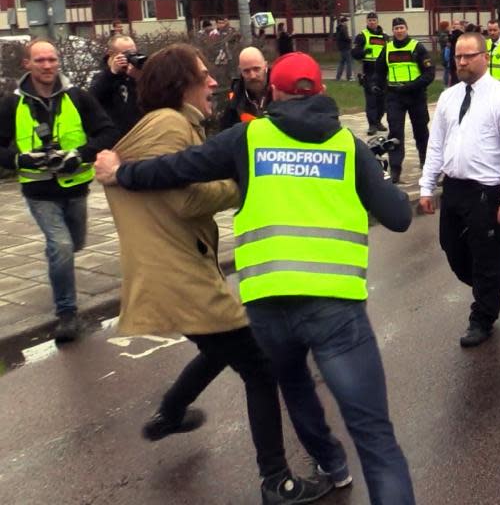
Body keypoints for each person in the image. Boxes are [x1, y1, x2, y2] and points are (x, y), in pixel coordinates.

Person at [93, 51, 417, 504]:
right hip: (335, 308)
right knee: (376, 438)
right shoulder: (346, 145)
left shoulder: (248, 138)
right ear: (321, 92)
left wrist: (121, 172)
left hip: (269, 307)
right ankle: (329, 471)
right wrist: (376, 179)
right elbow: (399, 217)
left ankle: (332, 464)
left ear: (274, 92)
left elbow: (176, 170)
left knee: (292, 384)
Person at [0, 39, 118, 341]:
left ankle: (58, 260)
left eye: (52, 59)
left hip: (75, 187)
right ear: (27, 64)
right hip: (38, 191)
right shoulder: (12, 104)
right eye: (40, 60)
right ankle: (67, 313)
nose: (47, 65)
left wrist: (79, 154)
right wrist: (19, 159)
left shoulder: (77, 97)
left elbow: (108, 131)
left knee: (73, 244)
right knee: (62, 246)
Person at [418, 31, 500, 347]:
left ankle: (483, 317)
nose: (461, 62)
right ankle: (484, 287)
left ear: (485, 58)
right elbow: (435, 145)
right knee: (451, 247)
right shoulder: (450, 97)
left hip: (485, 192)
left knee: (487, 256)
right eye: (458, 56)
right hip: (453, 189)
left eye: (468, 56)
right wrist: (426, 187)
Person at [376, 17, 434, 184]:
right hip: (395, 96)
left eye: (401, 27)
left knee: (421, 131)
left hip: (416, 95)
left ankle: (426, 163)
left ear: (406, 29)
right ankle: (395, 170)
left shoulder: (417, 47)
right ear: (393, 31)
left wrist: (411, 86)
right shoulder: (387, 49)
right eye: (396, 28)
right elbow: (379, 72)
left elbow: (429, 74)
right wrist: (376, 86)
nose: (399, 31)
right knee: (395, 133)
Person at [89, 34, 143, 136]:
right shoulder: (102, 76)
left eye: (134, 53)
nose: (131, 57)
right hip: (114, 138)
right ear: (111, 54)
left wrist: (138, 78)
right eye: (126, 54)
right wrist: (112, 73)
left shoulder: (136, 74)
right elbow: (93, 98)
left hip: (138, 135)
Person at [351, 12, 388, 136]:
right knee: (371, 99)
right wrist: (363, 52)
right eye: (370, 20)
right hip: (369, 70)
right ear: (367, 22)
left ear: (377, 21)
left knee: (382, 100)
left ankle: (378, 121)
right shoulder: (362, 36)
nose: (372, 22)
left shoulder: (385, 37)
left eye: (374, 20)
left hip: (382, 72)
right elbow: (354, 53)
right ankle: (372, 124)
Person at [220, 47, 269, 131]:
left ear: (266, 66)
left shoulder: (282, 93)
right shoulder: (234, 104)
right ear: (240, 71)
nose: (252, 76)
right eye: (246, 71)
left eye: (256, 69)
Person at [335, 16, 353, 81]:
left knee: (341, 63)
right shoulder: (344, 28)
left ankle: (338, 77)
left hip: (341, 48)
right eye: (346, 21)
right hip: (346, 47)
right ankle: (349, 77)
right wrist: (350, 40)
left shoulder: (338, 28)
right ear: (344, 22)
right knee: (349, 62)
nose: (347, 23)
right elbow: (346, 37)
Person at [437, 20, 453, 86]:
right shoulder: (443, 35)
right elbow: (449, 41)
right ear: (445, 27)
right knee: (447, 69)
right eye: (449, 25)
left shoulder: (444, 34)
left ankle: (447, 83)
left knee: (447, 69)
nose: (450, 27)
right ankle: (446, 84)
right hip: (445, 54)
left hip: (445, 53)